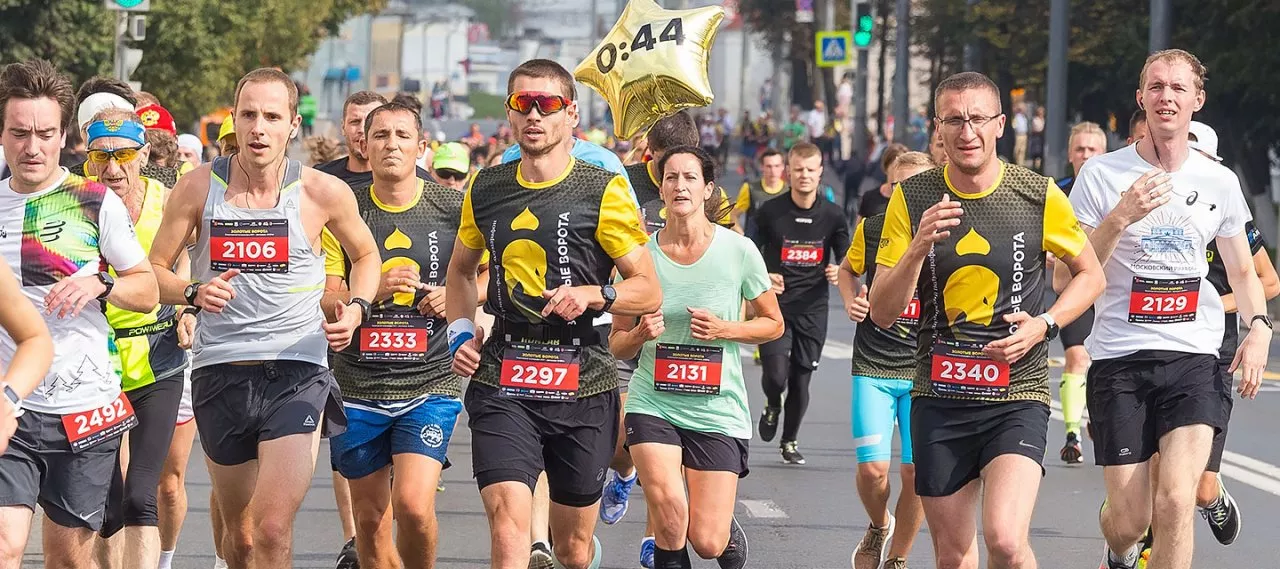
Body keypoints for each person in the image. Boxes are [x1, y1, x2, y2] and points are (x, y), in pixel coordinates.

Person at [146, 67, 382, 569]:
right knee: (242, 538)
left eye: (272, 117)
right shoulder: (197, 188)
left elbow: (366, 255)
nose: (258, 128)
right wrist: (192, 291)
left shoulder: (321, 192)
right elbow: (154, 271)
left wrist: (358, 308)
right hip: (220, 371)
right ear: (233, 119)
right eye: (249, 115)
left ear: (293, 124)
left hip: (297, 371)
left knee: (271, 529)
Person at [868, 71, 1104, 569]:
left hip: (1016, 393)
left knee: (1006, 540)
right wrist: (916, 248)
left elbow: (1091, 276)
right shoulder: (913, 198)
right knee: (954, 556)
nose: (967, 131)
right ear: (938, 128)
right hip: (940, 394)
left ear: (1000, 124)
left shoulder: (1037, 194)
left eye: (978, 118)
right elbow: (884, 312)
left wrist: (1045, 324)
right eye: (954, 120)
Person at [1060, 50, 1271, 569]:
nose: (1166, 97)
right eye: (1156, 87)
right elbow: (1068, 276)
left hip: (1194, 357)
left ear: (1197, 100)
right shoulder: (1101, 175)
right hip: (1120, 359)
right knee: (1131, 521)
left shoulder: (1219, 180)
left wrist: (1259, 327)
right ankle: (1119, 544)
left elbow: (1244, 272)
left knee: (1176, 499)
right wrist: (1119, 217)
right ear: (1141, 98)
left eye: (1178, 88)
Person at [445, 58, 660, 569]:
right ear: (510, 113)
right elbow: (460, 272)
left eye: (547, 104)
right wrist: (460, 332)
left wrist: (593, 295)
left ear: (571, 114)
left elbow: (648, 289)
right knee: (509, 530)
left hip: (582, 375)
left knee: (572, 550)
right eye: (523, 103)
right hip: (504, 373)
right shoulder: (486, 187)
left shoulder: (602, 189)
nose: (535, 115)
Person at [0, 58, 160, 569]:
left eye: (45, 133)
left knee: (67, 559)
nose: (32, 147)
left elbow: (148, 289)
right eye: (19, 133)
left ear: (63, 135)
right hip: (11, 406)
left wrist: (101, 284)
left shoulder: (94, 201)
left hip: (83, 405)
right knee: (5, 544)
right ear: (2, 134)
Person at [322, 101, 481, 569]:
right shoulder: (344, 211)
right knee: (370, 520)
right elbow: (327, 298)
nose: (391, 144)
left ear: (421, 147)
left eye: (402, 136)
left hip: (430, 380)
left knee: (412, 505)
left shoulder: (453, 207)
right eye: (381, 135)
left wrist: (453, 295)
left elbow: (489, 275)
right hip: (358, 383)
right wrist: (370, 291)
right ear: (364, 145)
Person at [610, 145, 782, 569]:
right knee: (670, 519)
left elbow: (773, 323)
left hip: (716, 407)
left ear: (707, 189)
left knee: (706, 540)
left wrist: (726, 329)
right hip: (653, 402)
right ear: (661, 189)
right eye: (671, 177)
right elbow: (615, 343)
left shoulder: (739, 251)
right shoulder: (637, 258)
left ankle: (722, 529)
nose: (680, 185)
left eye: (690, 177)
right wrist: (639, 334)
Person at [79, 107, 190, 569]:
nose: (112, 168)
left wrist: (186, 307)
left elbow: (186, 258)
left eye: (123, 155)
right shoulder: (73, 204)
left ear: (144, 154)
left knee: (141, 496)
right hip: (96, 367)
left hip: (158, 359)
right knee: (107, 506)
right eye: (100, 157)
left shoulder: (169, 199)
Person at [1179, 120, 1280, 547]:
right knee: (1156, 473)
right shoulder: (1155, 204)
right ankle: (1136, 540)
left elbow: (1268, 282)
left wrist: (1214, 305)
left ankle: (1212, 496)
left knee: (1199, 485)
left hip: (1212, 350)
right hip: (1155, 344)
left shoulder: (1227, 210)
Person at [836, 151, 935, 569]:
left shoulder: (950, 233)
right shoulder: (873, 229)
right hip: (874, 365)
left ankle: (898, 558)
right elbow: (846, 270)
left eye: (917, 187)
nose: (907, 195)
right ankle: (879, 525)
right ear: (888, 189)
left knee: (916, 472)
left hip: (924, 371)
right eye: (899, 187)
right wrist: (851, 302)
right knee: (873, 471)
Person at [754, 141, 850, 465]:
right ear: (788, 172)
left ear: (820, 172)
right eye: (798, 170)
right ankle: (772, 403)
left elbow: (847, 258)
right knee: (776, 377)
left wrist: (839, 270)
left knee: (800, 379)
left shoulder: (833, 215)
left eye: (810, 170)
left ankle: (789, 441)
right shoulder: (770, 212)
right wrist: (765, 275)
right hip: (775, 307)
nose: (804, 175)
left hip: (813, 309)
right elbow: (748, 253)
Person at [1050, 121, 1107, 463]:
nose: (1086, 155)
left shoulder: (1115, 189)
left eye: (1093, 149)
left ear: (1104, 153)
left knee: (1105, 362)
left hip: (1110, 291)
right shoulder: (1056, 193)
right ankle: (1072, 434)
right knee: (1077, 357)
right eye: (1080, 149)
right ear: (1070, 154)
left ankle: (1097, 415)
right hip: (1073, 288)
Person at [731, 148, 786, 242]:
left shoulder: (789, 191)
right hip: (755, 246)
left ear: (783, 167)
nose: (773, 171)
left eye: (777, 166)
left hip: (780, 246)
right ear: (761, 167)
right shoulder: (750, 188)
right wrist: (744, 237)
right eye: (769, 166)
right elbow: (732, 216)